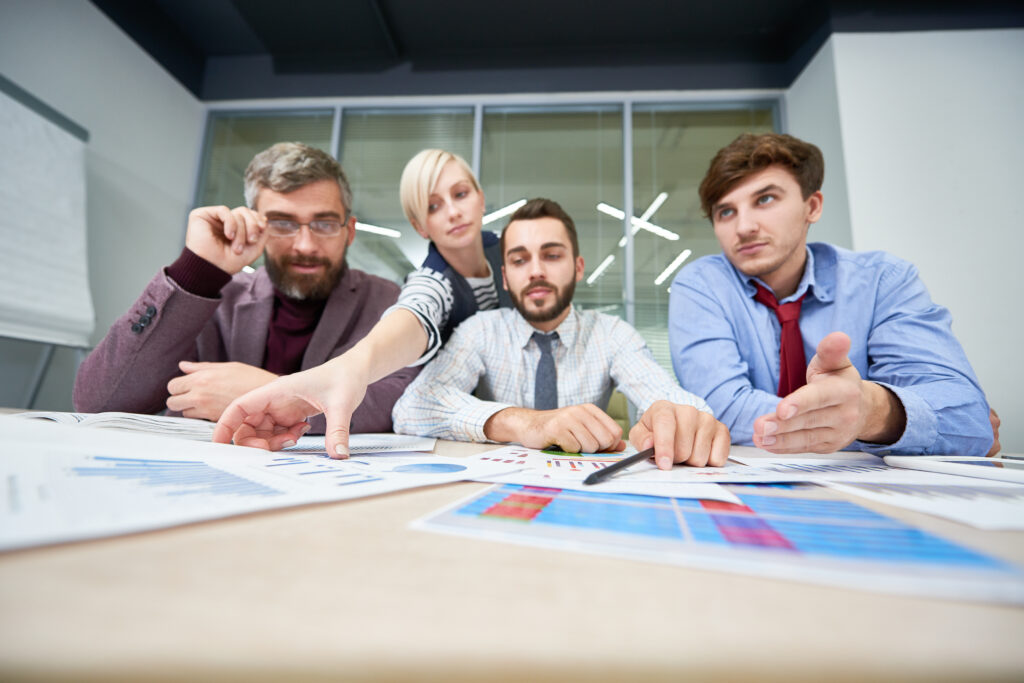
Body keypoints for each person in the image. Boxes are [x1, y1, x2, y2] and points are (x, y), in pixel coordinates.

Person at [668, 132, 997, 456]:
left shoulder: (883, 280)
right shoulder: (702, 284)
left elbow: (967, 419)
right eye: (726, 212)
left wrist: (874, 411)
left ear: (812, 206)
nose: (744, 227)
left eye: (765, 199)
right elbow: (720, 410)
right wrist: (870, 426)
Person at [74, 142, 417, 435]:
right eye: (283, 223)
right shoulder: (213, 297)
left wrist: (270, 392)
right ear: (257, 225)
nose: (305, 245)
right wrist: (197, 270)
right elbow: (99, 402)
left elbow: (402, 403)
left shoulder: (388, 302)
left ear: (350, 231)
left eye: (324, 224)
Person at [392, 198, 730, 469]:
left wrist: (681, 418)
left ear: (578, 268)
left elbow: (663, 393)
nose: (537, 271)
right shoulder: (480, 331)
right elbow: (410, 408)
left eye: (551, 255)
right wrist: (526, 424)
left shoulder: (612, 334)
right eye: (520, 260)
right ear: (506, 277)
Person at [212, 149, 511, 455]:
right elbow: (414, 313)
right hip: (470, 433)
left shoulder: (512, 249)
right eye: (433, 206)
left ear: (481, 198)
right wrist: (354, 367)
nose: (453, 212)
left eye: (461, 194)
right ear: (420, 226)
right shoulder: (431, 282)